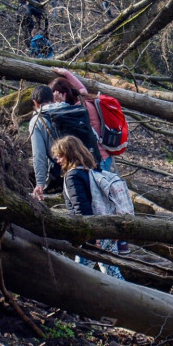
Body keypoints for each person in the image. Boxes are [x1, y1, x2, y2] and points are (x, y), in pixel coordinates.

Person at [50, 135, 123, 279]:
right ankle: (128, 297)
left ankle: (66, 301)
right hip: (107, 229)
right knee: (112, 273)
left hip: (93, 233)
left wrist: (89, 237)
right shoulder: (91, 172)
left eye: (60, 156)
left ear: (69, 155)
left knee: (76, 276)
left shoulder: (72, 177)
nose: (57, 160)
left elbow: (81, 207)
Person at [50, 67, 116, 172]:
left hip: (97, 157)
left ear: (64, 94)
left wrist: (60, 104)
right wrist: (66, 73)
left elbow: (62, 120)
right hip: (102, 155)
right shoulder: (84, 99)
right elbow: (81, 88)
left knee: (96, 187)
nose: (53, 101)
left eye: (55, 96)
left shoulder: (78, 110)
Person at [28, 84, 66, 200]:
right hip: (86, 165)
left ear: (35, 102)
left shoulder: (37, 120)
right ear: (53, 99)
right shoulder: (68, 109)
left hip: (64, 168)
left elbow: (39, 155)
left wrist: (40, 184)